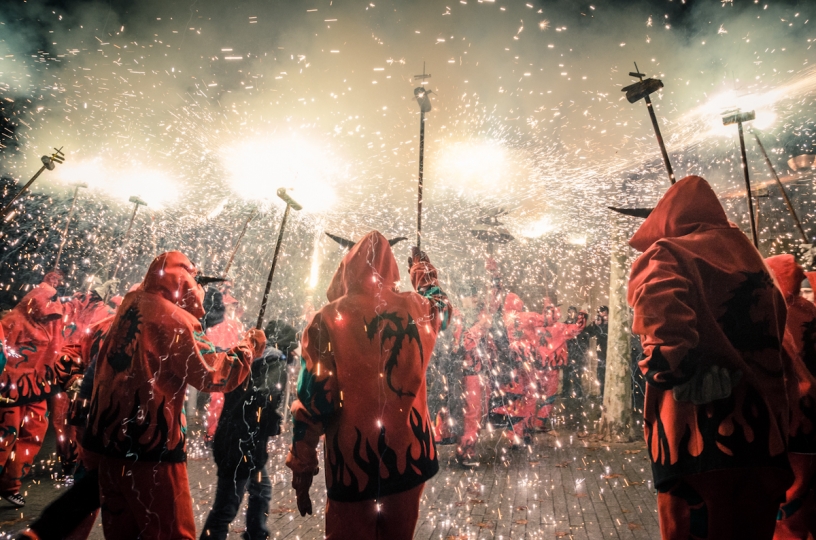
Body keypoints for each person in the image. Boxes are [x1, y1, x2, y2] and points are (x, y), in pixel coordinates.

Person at [624, 176, 792, 539]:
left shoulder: (667, 254)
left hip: (700, 438)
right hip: (766, 437)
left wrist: (663, 371)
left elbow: (665, 335)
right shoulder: (756, 264)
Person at [83, 251, 265, 540]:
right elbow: (212, 374)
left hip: (108, 445)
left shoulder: (130, 306)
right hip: (153, 449)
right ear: (183, 279)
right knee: (172, 533)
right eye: (196, 279)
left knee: (122, 532)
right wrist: (248, 348)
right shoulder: (175, 319)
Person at [286, 232, 452, 540]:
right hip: (410, 460)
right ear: (392, 269)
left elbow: (315, 401)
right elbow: (441, 308)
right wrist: (423, 274)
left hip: (353, 468)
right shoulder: (415, 307)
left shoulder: (327, 319)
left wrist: (303, 464)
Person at [200, 320, 296, 540]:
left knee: (261, 490)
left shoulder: (247, 353)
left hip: (235, 439)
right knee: (226, 508)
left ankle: (256, 533)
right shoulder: (275, 361)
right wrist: (274, 421)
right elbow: (263, 398)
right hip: (242, 444)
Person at [0, 275, 66, 507]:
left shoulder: (53, 323)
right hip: (10, 390)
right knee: (5, 436)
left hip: (38, 388)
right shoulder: (12, 321)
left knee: (35, 432)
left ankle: (10, 484)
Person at [764, 255, 816, 540]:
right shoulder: (808, 310)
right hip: (810, 419)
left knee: (788, 504)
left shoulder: (771, 313)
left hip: (789, 420)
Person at [583, 306, 608, 397]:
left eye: (605, 313)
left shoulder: (611, 325)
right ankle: (602, 395)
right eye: (601, 313)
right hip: (601, 355)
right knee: (601, 374)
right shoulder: (598, 325)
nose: (603, 316)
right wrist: (594, 324)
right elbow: (586, 334)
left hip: (611, 354)